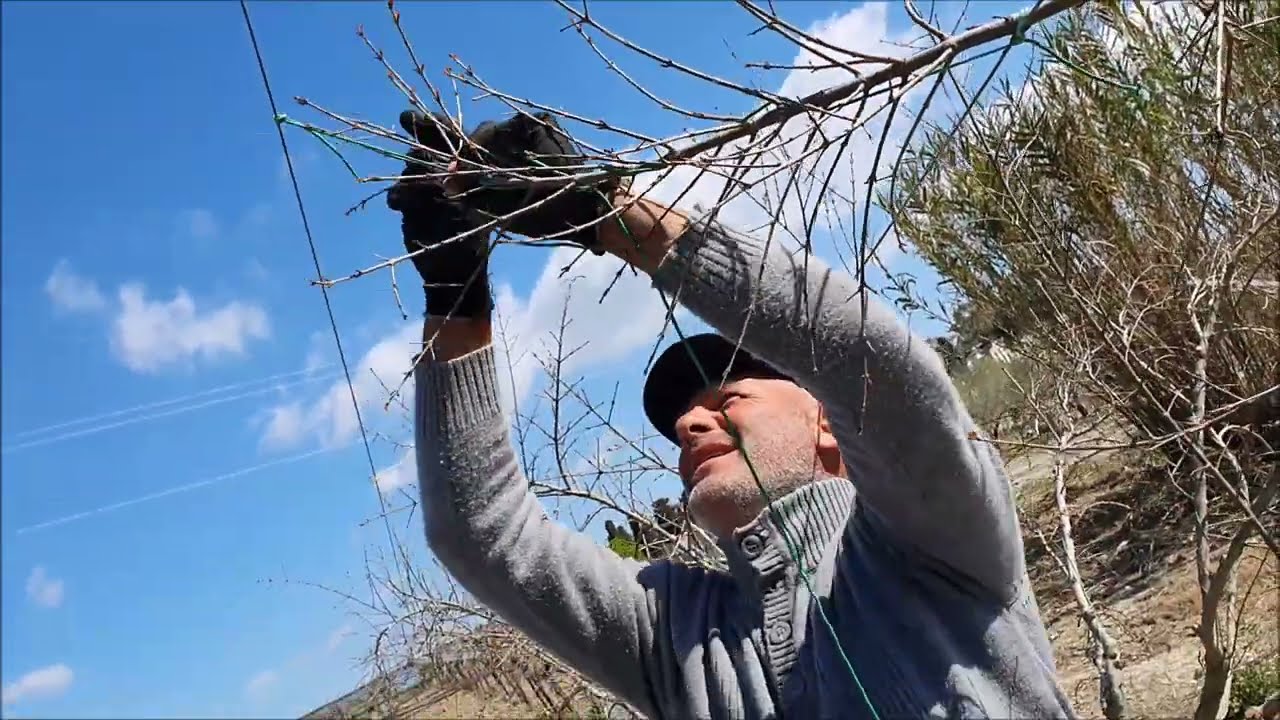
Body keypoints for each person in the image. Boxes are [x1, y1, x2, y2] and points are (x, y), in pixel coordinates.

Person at [387, 108, 1076, 719]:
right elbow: (482, 534)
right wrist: (455, 296)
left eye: (727, 400)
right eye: (682, 422)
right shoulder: (673, 635)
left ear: (828, 424)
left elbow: (871, 366)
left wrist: (608, 213)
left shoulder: (931, 538)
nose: (687, 426)